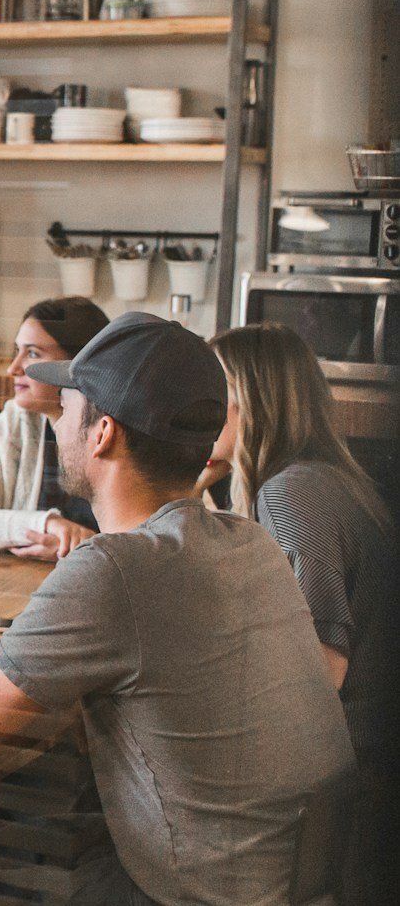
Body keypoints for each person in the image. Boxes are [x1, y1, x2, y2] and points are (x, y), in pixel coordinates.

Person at [0, 312, 355, 906]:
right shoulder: (246, 543)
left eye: (68, 404)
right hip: (288, 882)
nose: (58, 417)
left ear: (102, 434)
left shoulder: (114, 568)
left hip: (189, 895)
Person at [209, 323, 397, 906]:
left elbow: (320, 668)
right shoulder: (325, 479)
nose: (191, 414)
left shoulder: (293, 493)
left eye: (209, 399)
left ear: (246, 403)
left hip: (356, 779)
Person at [0, 296, 108, 559]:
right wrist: (46, 524)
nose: (12, 368)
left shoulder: (117, 431)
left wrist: (77, 549)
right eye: (16, 351)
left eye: (32, 353)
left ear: (77, 364)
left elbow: (144, 547)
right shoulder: (16, 421)